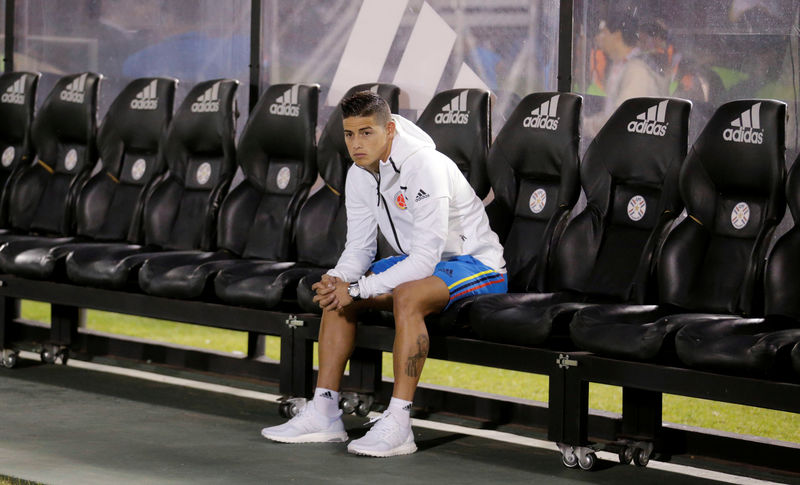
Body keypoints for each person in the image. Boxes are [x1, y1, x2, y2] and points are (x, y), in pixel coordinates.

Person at [261, 91, 507, 457]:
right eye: (349, 134)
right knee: (337, 291)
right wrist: (340, 278)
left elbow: (425, 260)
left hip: (475, 264)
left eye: (366, 133)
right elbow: (360, 247)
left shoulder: (426, 165)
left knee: (404, 296)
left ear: (389, 130)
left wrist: (359, 289)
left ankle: (398, 422)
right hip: (422, 263)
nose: (356, 144)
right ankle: (325, 411)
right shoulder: (359, 174)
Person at [583, 8, 668, 137]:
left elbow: (619, 120)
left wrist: (581, 125)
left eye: (603, 33)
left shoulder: (637, 71)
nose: (598, 38)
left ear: (616, 36)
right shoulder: (622, 66)